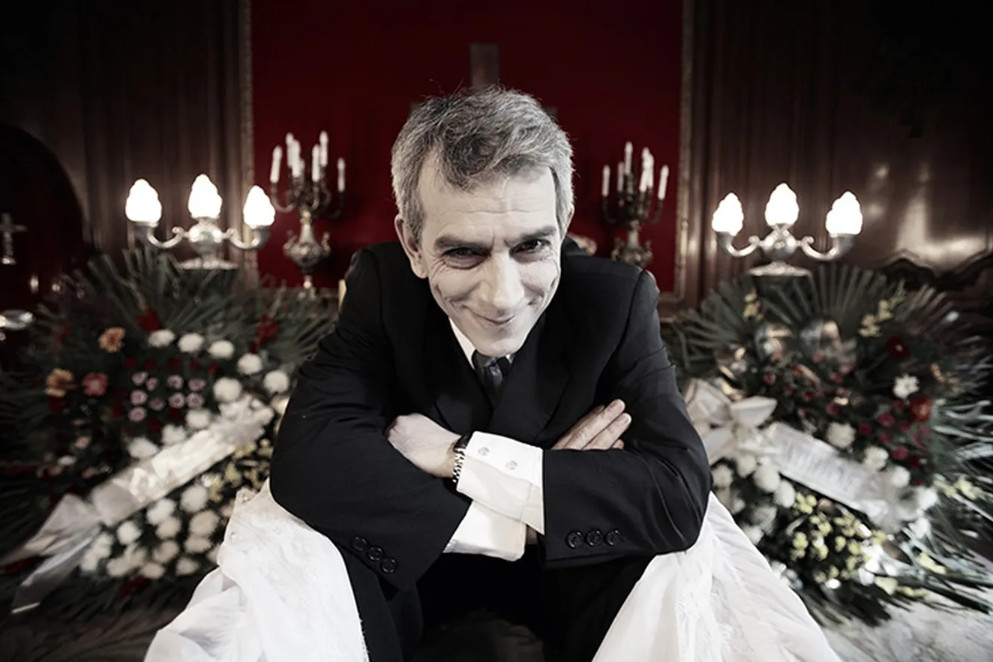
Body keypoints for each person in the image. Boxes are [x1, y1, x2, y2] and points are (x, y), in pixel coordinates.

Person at [146, 88, 841, 662]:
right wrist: (519, 519)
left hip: (573, 581)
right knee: (294, 545)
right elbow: (311, 459)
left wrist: (459, 457)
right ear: (413, 243)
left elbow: (676, 497)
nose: (503, 296)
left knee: (677, 564)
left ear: (564, 223)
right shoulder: (383, 287)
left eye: (533, 246)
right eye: (463, 253)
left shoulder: (615, 299)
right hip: (418, 569)